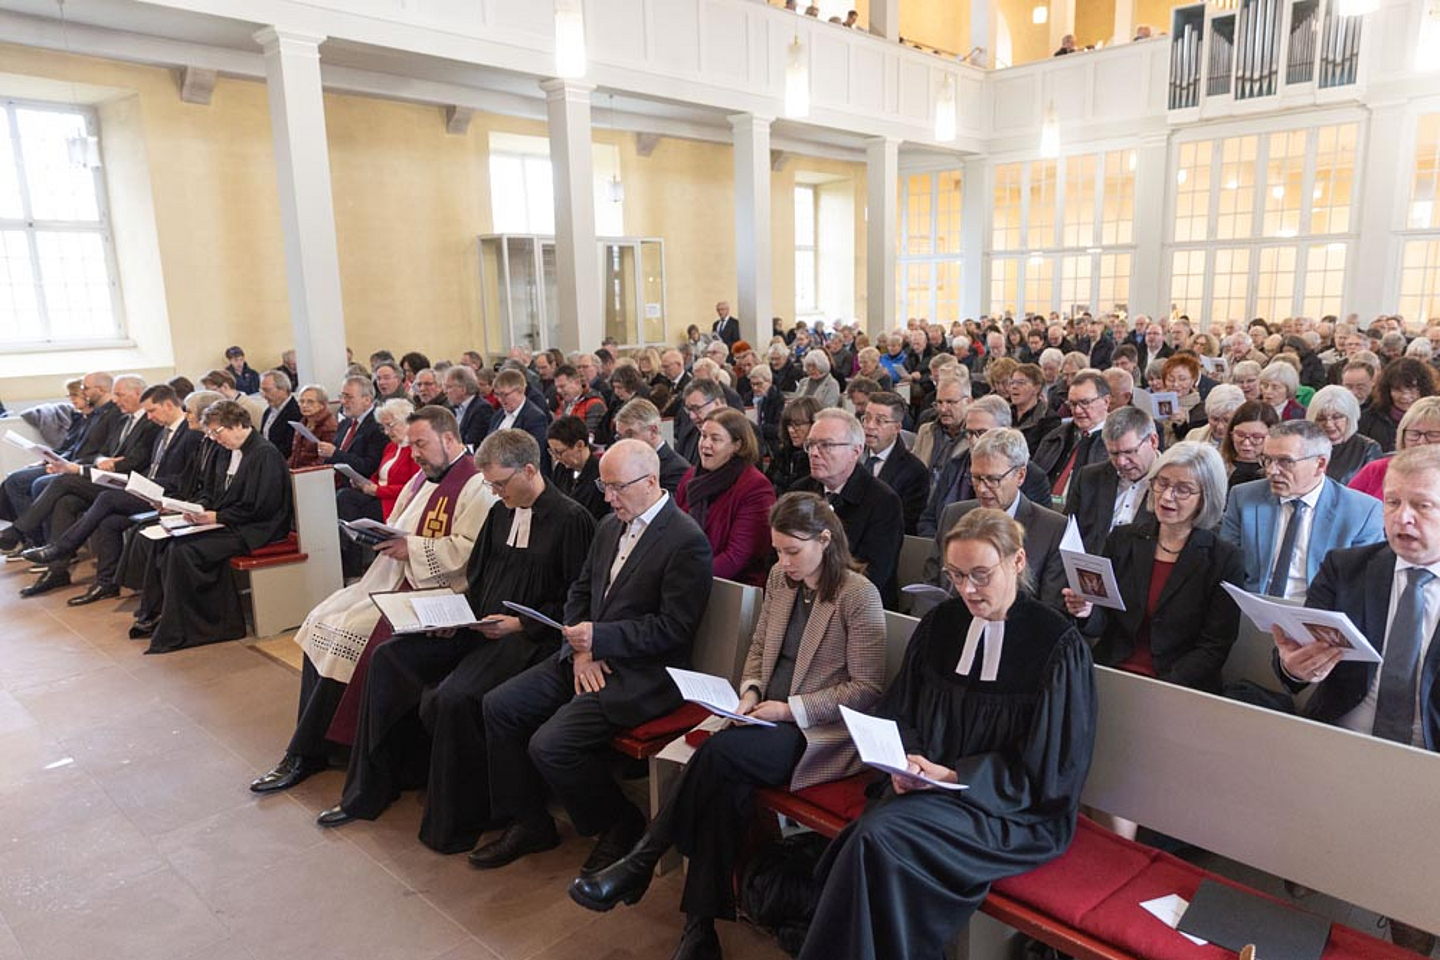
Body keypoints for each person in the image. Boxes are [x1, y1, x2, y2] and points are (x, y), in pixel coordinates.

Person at [569, 493, 887, 954]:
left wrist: (788, 708)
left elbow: (866, 689)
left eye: (793, 550)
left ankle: (643, 859)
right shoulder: (780, 579)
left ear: (824, 540)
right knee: (724, 788)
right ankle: (699, 931)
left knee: (716, 755)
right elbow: (760, 648)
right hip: (762, 716)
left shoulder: (858, 595)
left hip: (816, 732)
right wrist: (753, 691)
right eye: (777, 550)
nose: (783, 561)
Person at [798, 508, 1096, 960]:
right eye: (956, 575)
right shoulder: (942, 625)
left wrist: (955, 776)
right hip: (925, 791)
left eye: (980, 574)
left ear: (1017, 562)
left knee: (875, 839)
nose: (967, 589)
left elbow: (1052, 769)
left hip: (1009, 811)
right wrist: (908, 761)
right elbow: (902, 710)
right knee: (874, 841)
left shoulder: (1056, 644)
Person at [310, 430, 596, 846]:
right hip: (481, 625)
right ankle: (376, 785)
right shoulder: (502, 512)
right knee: (390, 657)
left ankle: (465, 818)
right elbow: (479, 577)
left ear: (530, 470)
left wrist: (521, 624)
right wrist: (454, 616)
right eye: (491, 486)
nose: (496, 494)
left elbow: (577, 599)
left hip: (531, 639)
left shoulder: (572, 519)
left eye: (500, 484)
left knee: (453, 697)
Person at [471, 440, 713, 875]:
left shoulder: (686, 540)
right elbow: (579, 593)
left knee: (550, 744)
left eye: (616, 487)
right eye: (604, 485)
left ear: (652, 482)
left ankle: (620, 823)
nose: (607, 497)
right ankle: (531, 822)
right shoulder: (608, 526)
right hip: (588, 657)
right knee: (499, 706)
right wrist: (581, 651)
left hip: (645, 674)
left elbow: (673, 629)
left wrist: (600, 640)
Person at [249, 406, 494, 795]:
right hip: (389, 578)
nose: (414, 453)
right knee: (321, 618)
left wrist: (409, 548)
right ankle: (321, 742)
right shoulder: (422, 477)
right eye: (410, 444)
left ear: (449, 439)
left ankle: (306, 753)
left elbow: (468, 551)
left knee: (352, 630)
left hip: (431, 590)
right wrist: (379, 537)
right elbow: (399, 520)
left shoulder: (476, 485)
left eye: (421, 444)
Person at [1272, 444, 1440, 955]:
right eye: (1391, 503)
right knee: (1301, 873)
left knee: (1413, 900)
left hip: (1429, 757)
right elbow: (1294, 665)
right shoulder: (1347, 567)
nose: (1402, 519)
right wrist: (1291, 666)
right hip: (1346, 735)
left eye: (1423, 506)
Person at [1066, 441, 1243, 697]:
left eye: (1183, 490)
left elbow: (1214, 647)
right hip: (1111, 671)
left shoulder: (1224, 559)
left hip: (1178, 686)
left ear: (1206, 497)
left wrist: (1162, 688)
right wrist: (1087, 611)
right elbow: (1104, 622)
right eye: (1162, 483)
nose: (1167, 496)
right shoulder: (1123, 539)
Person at [133, 400, 293, 653]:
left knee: (185, 551)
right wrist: (193, 509)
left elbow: (262, 506)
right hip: (230, 520)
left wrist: (216, 517)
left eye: (218, 433)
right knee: (166, 542)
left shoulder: (264, 454)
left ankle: (211, 625)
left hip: (256, 528)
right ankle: (161, 615)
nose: (216, 440)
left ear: (239, 424)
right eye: (211, 434)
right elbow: (212, 490)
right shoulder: (227, 451)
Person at [22, 384, 199, 606]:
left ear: (169, 405)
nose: (149, 416)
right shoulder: (164, 430)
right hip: (149, 489)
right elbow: (152, 466)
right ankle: (106, 583)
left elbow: (184, 480)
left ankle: (61, 548)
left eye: (152, 411)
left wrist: (143, 484)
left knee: (104, 498)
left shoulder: (190, 434)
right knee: (107, 521)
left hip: (168, 496)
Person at [2, 375, 160, 594]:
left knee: (64, 481)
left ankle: (26, 534)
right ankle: (57, 571)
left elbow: (133, 462)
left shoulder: (151, 424)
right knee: (66, 501)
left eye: (120, 395)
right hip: (108, 477)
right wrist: (100, 462)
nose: (115, 400)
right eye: (114, 394)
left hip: (128, 483)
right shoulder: (125, 420)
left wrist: (85, 467)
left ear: (138, 394)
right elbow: (103, 453)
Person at [1220, 420, 1384, 601]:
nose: (1271, 471)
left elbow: (1360, 585)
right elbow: (1228, 567)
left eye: (1285, 461)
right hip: (1254, 608)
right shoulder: (1244, 497)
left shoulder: (1362, 512)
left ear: (1320, 464)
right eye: (1267, 460)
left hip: (1320, 614)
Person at [925, 429, 1068, 610]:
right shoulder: (953, 515)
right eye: (976, 478)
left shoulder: (1052, 529)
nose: (982, 489)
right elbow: (930, 588)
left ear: (1020, 475)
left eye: (993, 479)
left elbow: (1049, 611)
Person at [789, 409, 905, 608]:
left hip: (855, 608)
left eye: (826, 445)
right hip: (801, 599)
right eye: (811, 445)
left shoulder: (883, 501)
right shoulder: (798, 491)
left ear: (856, 451)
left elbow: (871, 575)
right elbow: (778, 555)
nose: (814, 453)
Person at [918, 396, 1051, 537]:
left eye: (982, 433)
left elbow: (1037, 530)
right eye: (969, 433)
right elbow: (928, 519)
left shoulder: (1032, 476)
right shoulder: (954, 464)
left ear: (1004, 431)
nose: (974, 440)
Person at [676, 408, 776, 587]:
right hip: (687, 575)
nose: (705, 444)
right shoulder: (690, 477)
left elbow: (737, 557)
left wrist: (686, 579)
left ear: (737, 445)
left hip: (730, 588)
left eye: (715, 439)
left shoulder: (755, 488)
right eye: (703, 436)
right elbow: (673, 531)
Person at [336, 398, 422, 578]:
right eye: (384, 427)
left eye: (390, 425)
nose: (387, 432)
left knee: (346, 500)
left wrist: (376, 490)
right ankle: (350, 555)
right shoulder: (391, 446)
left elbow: (413, 488)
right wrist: (364, 482)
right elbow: (380, 474)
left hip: (394, 502)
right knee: (345, 497)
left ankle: (352, 561)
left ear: (406, 420)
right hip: (378, 496)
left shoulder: (414, 449)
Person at [1064, 406, 1160, 554]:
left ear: (1153, 441)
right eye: (1114, 454)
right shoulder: (1089, 478)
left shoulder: (1171, 485)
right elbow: (1068, 533)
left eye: (1129, 452)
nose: (1121, 462)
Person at [861, 391, 930, 534]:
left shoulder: (914, 471)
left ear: (897, 428)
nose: (870, 426)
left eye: (879, 421)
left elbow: (905, 525)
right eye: (866, 418)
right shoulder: (851, 456)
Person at [1033, 370, 1110, 497]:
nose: (1078, 411)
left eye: (1085, 403)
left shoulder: (1117, 443)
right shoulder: (1055, 437)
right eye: (1073, 404)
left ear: (1106, 402)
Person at [1350, 397, 1440, 499]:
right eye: (1414, 433)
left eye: (1432, 434)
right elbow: (1345, 509)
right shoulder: (1376, 470)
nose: (1421, 442)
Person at [1358, 357, 1438, 453]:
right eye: (1398, 390)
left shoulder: (1437, 416)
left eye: (1412, 389)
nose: (1405, 396)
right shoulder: (1368, 420)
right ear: (1387, 390)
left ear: (1424, 388)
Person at [318, 375, 389, 483]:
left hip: (357, 486)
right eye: (342, 396)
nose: (343, 401)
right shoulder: (345, 423)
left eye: (348, 397)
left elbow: (369, 467)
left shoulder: (378, 426)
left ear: (366, 400)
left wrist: (335, 453)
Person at [1307, 384, 1382, 485]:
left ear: (1350, 417)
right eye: (1321, 419)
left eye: (1337, 417)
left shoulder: (1367, 449)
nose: (1329, 424)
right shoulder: (1304, 446)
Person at [611, 398, 689, 493]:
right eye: (619, 436)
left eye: (630, 435)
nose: (624, 443)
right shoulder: (624, 464)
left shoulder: (677, 470)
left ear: (653, 431)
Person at [485, 368, 552, 473]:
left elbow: (534, 456)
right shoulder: (498, 415)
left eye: (505, 395)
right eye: (497, 394)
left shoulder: (535, 418)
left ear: (521, 390)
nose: (500, 399)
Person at [547, 414, 608, 519]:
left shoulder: (601, 474)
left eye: (559, 452)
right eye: (552, 452)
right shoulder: (561, 469)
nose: (556, 458)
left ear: (579, 445)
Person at [912, 375, 971, 483]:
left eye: (950, 402)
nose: (943, 409)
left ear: (968, 402)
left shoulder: (976, 437)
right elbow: (912, 471)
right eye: (939, 403)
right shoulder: (925, 431)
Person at [766, 396, 821, 494]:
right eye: (789, 425)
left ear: (814, 424)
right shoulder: (782, 454)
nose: (791, 430)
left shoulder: (819, 459)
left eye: (798, 424)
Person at [1221, 400, 1281, 487]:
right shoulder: (1218, 465)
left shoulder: (1278, 472)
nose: (1246, 443)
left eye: (1256, 437)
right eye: (1240, 435)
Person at [1008, 363, 1058, 455]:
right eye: (1012, 382)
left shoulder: (1048, 420)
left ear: (1036, 388)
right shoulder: (1004, 414)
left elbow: (1044, 456)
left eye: (1021, 383)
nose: (1014, 386)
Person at [288, 384, 337, 469]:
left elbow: (324, 459)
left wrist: (302, 472)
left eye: (310, 402)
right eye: (302, 401)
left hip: (313, 474)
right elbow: (295, 454)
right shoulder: (303, 422)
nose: (304, 405)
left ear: (322, 404)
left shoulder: (329, 426)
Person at [445, 365, 493, 449]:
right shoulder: (451, 409)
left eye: (449, 387)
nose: (445, 391)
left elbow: (472, 443)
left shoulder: (482, 409)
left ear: (463, 389)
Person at [256, 368, 300, 460]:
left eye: (267, 390)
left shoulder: (295, 413)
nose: (264, 395)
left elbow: (290, 447)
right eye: (262, 391)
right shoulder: (268, 411)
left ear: (283, 390)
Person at [554, 364, 607, 438]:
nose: (559, 391)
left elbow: (589, 435)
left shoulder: (594, 404)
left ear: (577, 382)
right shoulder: (564, 403)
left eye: (562, 386)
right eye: (557, 387)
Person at [1185, 383, 1245, 448]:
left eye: (1227, 420)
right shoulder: (1193, 437)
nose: (1220, 427)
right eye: (1215, 419)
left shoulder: (1245, 444)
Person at [748, 363, 785, 459]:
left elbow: (778, 429)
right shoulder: (748, 397)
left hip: (769, 443)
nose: (755, 388)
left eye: (759, 384)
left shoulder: (777, 399)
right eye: (752, 384)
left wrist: (759, 428)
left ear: (769, 381)